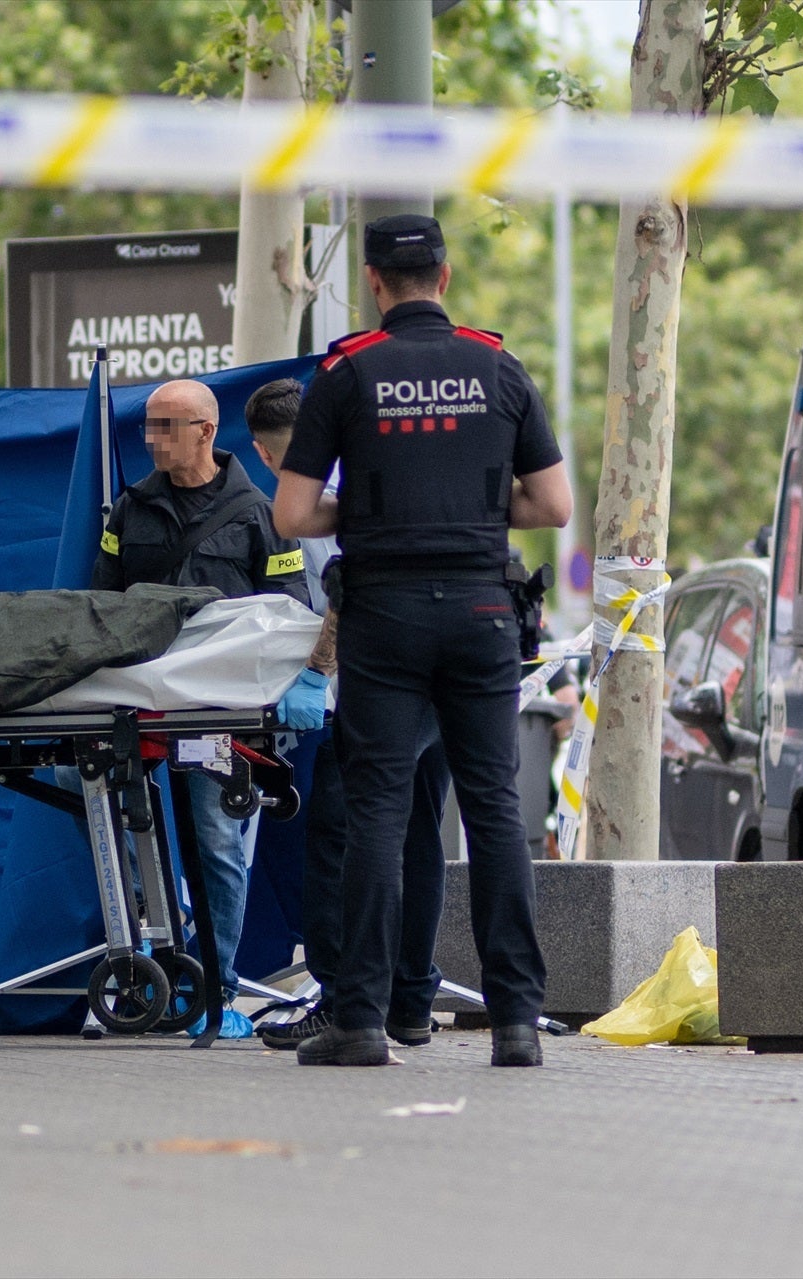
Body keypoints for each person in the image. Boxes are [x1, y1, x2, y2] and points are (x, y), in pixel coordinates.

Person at [273, 214, 572, 1068]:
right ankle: (517, 1022)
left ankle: (361, 1020)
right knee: (493, 809)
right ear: (445, 276)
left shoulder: (346, 372)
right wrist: (469, 511)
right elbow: (552, 505)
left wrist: (376, 514)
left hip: (386, 615)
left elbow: (292, 514)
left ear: (374, 282)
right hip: (483, 611)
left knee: (377, 809)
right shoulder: (498, 366)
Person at [91, 377, 312, 1037]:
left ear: (207, 432)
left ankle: (215, 990)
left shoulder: (262, 514)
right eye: (148, 425)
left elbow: (291, 610)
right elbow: (99, 604)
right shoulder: (128, 511)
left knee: (216, 845)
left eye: (166, 426)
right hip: (138, 707)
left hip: (218, 714)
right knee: (107, 820)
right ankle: (154, 948)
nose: (151, 439)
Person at [244, 378, 451, 1052]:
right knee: (419, 841)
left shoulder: (307, 494)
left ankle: (341, 1001)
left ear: (263, 453)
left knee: (340, 844)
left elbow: (346, 586)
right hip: (445, 674)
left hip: (365, 691)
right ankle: (411, 1000)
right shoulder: (384, 465)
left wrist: (314, 673)